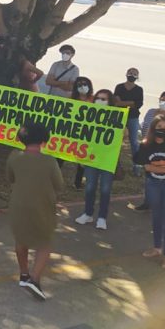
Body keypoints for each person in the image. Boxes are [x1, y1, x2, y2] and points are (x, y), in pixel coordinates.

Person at [7, 122, 63, 301]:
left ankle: (24, 274)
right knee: (44, 243)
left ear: (20, 138)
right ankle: (35, 279)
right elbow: (59, 185)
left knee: (21, 240)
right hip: (42, 206)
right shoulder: (50, 161)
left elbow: (10, 178)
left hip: (18, 204)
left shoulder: (14, 157)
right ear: (44, 141)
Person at [136, 116, 165, 269]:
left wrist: (155, 167)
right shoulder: (146, 144)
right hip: (153, 184)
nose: (163, 130)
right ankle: (157, 247)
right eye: (159, 127)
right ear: (153, 128)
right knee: (156, 216)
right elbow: (145, 166)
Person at [74, 90, 117, 230]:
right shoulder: (89, 115)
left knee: (105, 189)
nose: (100, 101)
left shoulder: (117, 117)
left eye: (104, 99)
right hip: (91, 157)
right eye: (98, 98)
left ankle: (102, 217)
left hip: (108, 159)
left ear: (110, 101)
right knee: (90, 187)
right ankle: (88, 213)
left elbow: (124, 135)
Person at [113, 67, 144, 173]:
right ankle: (114, 164)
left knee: (134, 142)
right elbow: (116, 102)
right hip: (119, 116)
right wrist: (131, 103)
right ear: (126, 74)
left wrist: (123, 103)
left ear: (137, 76)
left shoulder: (139, 89)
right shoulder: (119, 87)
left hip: (133, 117)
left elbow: (138, 104)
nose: (132, 75)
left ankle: (137, 166)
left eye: (135, 73)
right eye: (130, 72)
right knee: (115, 141)